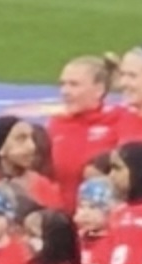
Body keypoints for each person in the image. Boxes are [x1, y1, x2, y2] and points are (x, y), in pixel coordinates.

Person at [48, 55, 119, 186]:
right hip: (59, 206)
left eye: (74, 84)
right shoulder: (57, 124)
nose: (65, 91)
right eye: (62, 84)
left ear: (99, 89)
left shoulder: (118, 120)